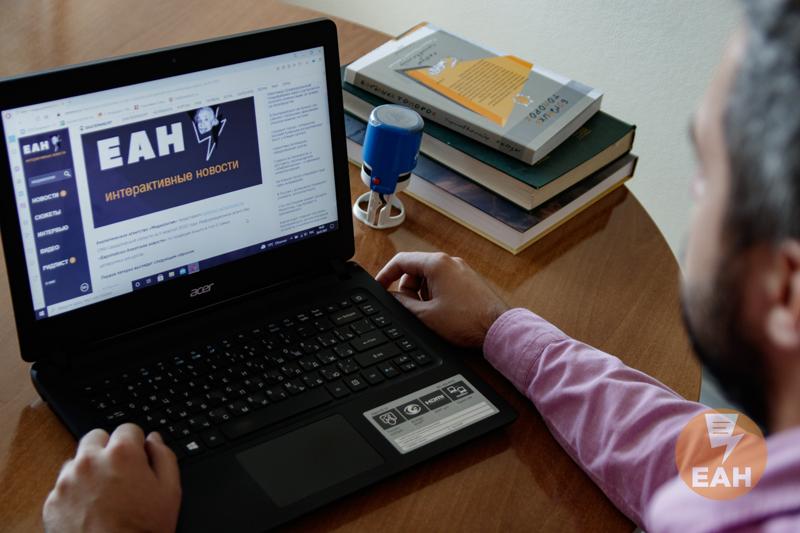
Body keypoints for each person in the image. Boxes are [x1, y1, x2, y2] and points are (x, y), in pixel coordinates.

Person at [43, 1, 800, 531]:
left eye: (708, 175)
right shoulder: (761, 485)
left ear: (786, 288)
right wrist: (502, 327)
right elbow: (678, 455)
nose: (693, 197)